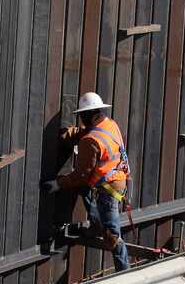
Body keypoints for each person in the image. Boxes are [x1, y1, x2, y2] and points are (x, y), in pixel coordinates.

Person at [55, 92, 131, 272]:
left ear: (90, 115)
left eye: (83, 115)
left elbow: (81, 174)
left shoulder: (90, 141)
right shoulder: (110, 124)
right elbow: (86, 132)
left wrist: (59, 184)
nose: (81, 119)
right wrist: (70, 134)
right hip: (119, 179)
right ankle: (97, 226)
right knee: (86, 189)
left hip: (108, 187)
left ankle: (125, 272)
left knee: (113, 235)